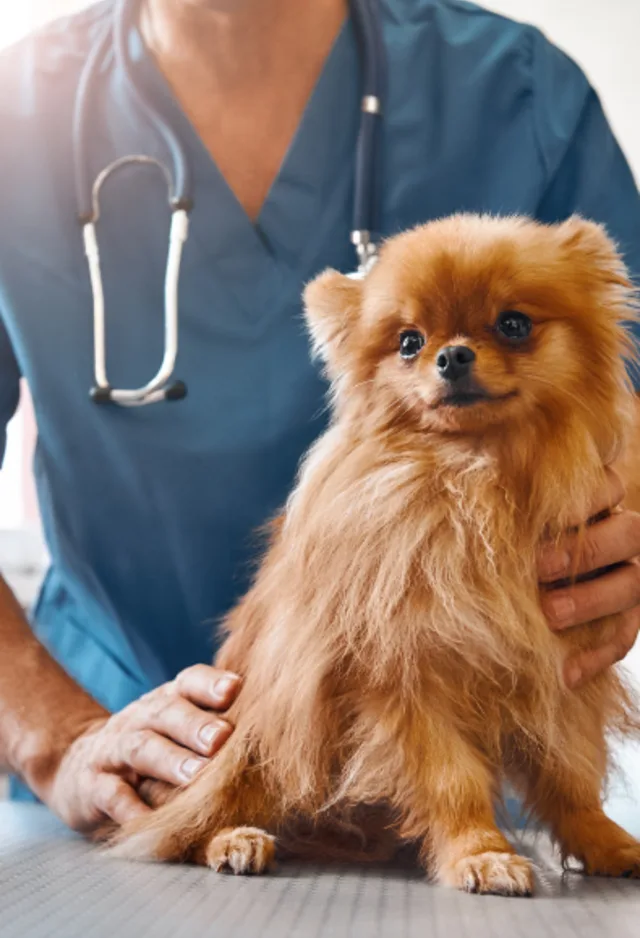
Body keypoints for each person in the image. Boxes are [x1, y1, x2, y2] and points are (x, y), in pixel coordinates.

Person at [0, 0, 639, 836]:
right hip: (112, 769)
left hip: (474, 782)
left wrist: (622, 507)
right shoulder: (20, 113)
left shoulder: (515, 93)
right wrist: (59, 738)